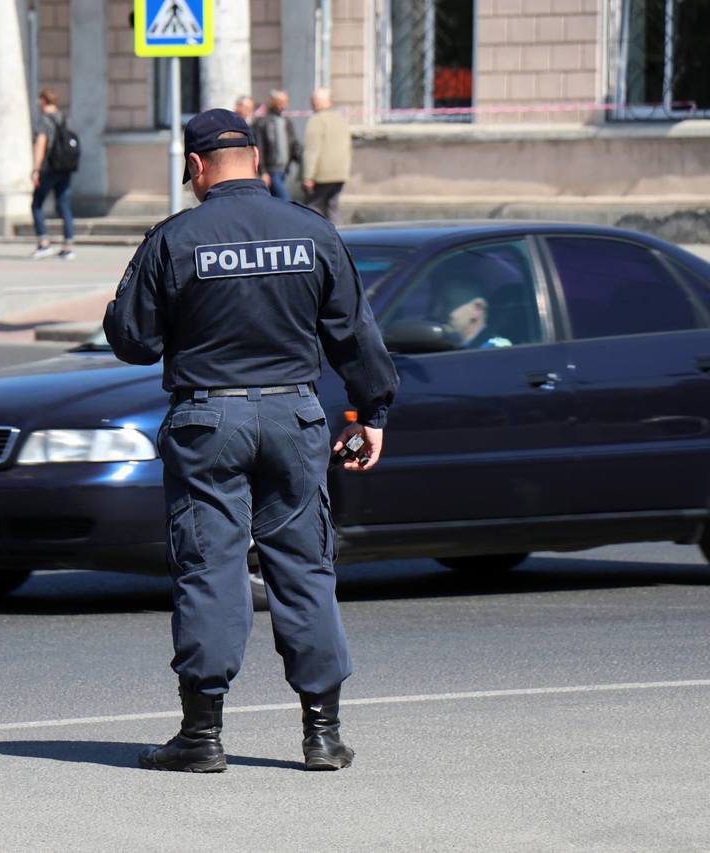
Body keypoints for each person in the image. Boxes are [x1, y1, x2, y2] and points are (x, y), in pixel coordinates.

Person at [102, 108, 397, 774]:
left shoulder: (176, 239)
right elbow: (355, 333)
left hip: (208, 422)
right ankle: (322, 735)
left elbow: (132, 340)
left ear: (196, 167)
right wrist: (372, 412)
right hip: (294, 419)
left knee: (211, 569)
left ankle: (202, 737)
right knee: (305, 570)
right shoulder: (312, 231)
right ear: (260, 163)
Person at [30, 88, 75, 261]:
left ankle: (44, 243)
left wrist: (36, 169)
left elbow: (41, 143)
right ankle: (68, 246)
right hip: (65, 168)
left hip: (49, 169)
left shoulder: (44, 120)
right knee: (63, 204)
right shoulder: (64, 118)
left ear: (43, 101)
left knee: (36, 204)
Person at [302, 87, 352, 224]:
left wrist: (308, 176)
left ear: (316, 102)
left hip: (322, 175)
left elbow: (312, 150)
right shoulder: (341, 119)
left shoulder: (316, 120)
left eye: (312, 101)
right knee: (332, 207)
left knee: (313, 207)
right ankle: (341, 237)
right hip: (340, 173)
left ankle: (317, 239)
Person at [430, 280, 512, 349]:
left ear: (477, 308)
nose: (436, 313)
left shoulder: (498, 350)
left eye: (447, 304)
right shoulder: (445, 347)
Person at [253, 89, 302, 201]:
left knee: (274, 200)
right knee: (285, 200)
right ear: (273, 102)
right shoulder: (263, 122)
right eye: (281, 102)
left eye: (285, 102)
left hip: (283, 169)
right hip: (271, 170)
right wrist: (263, 171)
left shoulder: (286, 121)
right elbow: (259, 147)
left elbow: (293, 142)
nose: (284, 105)